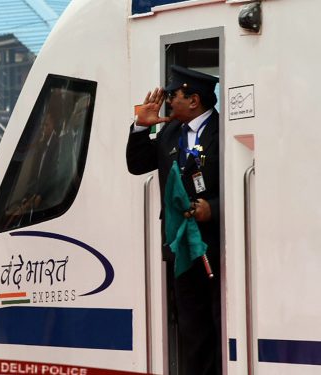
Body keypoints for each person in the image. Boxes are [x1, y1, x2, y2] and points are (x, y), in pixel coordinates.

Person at [126, 65, 221, 375]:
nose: (166, 102)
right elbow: (137, 165)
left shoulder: (223, 131)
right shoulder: (169, 131)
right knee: (190, 325)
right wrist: (141, 127)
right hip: (180, 245)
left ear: (193, 100)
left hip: (214, 245)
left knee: (218, 321)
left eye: (172, 96)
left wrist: (214, 208)